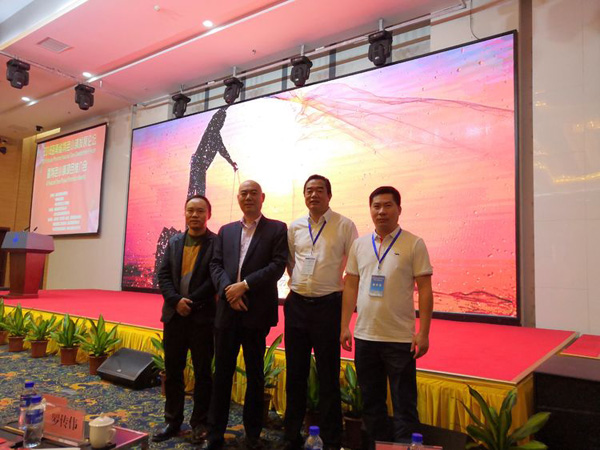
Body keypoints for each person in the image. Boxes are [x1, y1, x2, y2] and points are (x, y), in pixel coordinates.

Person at [340, 186, 433, 449]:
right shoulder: (359, 245)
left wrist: (423, 333)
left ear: (399, 210)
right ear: (370, 210)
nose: (381, 211)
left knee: (405, 405)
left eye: (388, 205)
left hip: (400, 339)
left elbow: (425, 290)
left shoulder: (414, 243)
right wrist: (344, 325)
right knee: (372, 404)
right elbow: (351, 286)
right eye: (376, 206)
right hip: (365, 337)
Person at [205, 180, 288, 450]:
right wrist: (229, 291)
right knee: (222, 374)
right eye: (244, 193)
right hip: (227, 313)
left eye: (253, 193)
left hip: (256, 313)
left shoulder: (277, 229)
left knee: (255, 376)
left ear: (262, 197)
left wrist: (245, 286)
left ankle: (252, 435)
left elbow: (277, 265)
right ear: (238, 198)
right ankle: (214, 434)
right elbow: (216, 264)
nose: (248, 197)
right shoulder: (226, 230)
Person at [284, 175, 358, 450]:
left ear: (329, 195)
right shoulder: (295, 227)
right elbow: (291, 263)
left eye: (319, 190)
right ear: (304, 195)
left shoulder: (345, 225)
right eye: (309, 190)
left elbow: (353, 270)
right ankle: (291, 435)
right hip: (297, 306)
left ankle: (331, 438)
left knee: (328, 375)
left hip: (329, 306)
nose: (313, 195)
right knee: (295, 374)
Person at [153, 194, 217, 444]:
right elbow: (163, 275)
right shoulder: (175, 241)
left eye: (200, 211)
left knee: (203, 373)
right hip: (174, 317)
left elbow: (213, 279)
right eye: (190, 210)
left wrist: (190, 302)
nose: (194, 215)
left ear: (208, 214)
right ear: (184, 213)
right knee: (173, 371)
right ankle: (172, 421)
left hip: (202, 318)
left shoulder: (216, 243)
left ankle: (199, 422)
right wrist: (175, 301)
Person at [188, 107, 238, 197]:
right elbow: (215, 117)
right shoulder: (210, 130)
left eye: (223, 121)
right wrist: (227, 106)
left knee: (199, 192)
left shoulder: (217, 138)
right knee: (195, 190)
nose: (222, 123)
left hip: (201, 166)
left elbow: (224, 152)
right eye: (221, 120)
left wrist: (232, 163)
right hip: (197, 162)